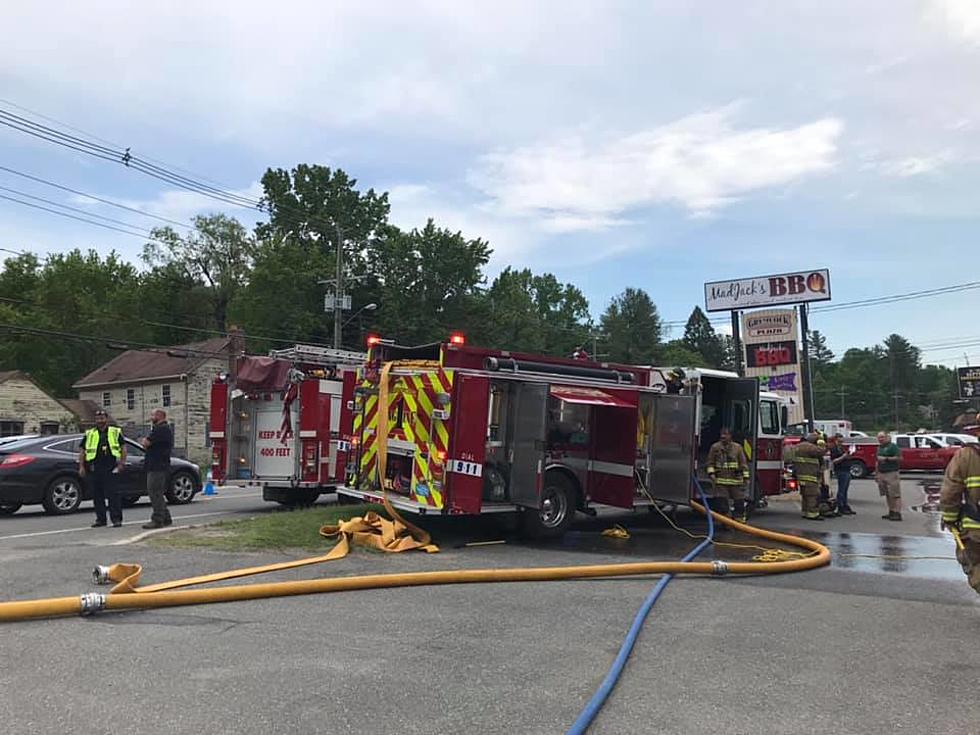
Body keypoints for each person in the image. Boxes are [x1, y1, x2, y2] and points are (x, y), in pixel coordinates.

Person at [940, 441, 980, 595]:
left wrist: (950, 518)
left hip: (976, 529)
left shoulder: (966, 455)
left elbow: (950, 492)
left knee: (976, 566)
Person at [77, 410, 127, 527]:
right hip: (95, 466)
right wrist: (81, 466)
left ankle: (116, 519)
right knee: (97, 495)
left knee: (113, 494)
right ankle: (101, 519)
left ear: (106, 419)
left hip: (111, 466)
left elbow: (123, 448)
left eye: (102, 418)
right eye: (98, 419)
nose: (100, 421)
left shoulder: (115, 432)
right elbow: (82, 451)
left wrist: (122, 464)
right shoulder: (90, 433)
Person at [706, 427, 750, 523]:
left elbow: (743, 464)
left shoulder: (737, 448)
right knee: (722, 505)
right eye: (722, 434)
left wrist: (746, 478)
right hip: (720, 481)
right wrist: (712, 474)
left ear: (730, 436)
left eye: (726, 434)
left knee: (739, 503)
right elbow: (710, 463)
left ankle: (739, 522)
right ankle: (726, 523)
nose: (723, 436)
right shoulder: (715, 448)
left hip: (736, 481)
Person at [141, 409, 173, 529]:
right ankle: (166, 517)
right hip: (157, 465)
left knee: (154, 492)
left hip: (158, 466)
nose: (151, 417)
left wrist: (145, 441)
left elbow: (146, 443)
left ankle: (157, 519)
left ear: (160, 416)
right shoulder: (160, 429)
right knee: (157, 492)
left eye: (153, 415)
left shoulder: (161, 429)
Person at [793, 432, 825, 521]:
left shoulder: (798, 446)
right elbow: (821, 452)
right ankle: (813, 514)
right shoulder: (809, 447)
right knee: (813, 495)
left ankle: (805, 512)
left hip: (801, 475)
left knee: (805, 495)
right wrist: (821, 442)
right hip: (810, 476)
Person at [875, 431, 902, 521]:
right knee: (887, 494)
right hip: (882, 473)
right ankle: (891, 511)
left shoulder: (893, 446)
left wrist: (886, 458)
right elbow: (877, 461)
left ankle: (897, 513)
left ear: (887, 437)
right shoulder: (879, 448)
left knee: (895, 494)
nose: (880, 439)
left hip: (892, 473)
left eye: (882, 437)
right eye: (879, 437)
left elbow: (899, 458)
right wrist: (876, 474)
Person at [829, 434, 855, 515]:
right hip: (840, 470)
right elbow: (834, 461)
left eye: (842, 441)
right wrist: (843, 457)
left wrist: (849, 456)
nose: (841, 443)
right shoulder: (834, 449)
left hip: (847, 470)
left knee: (845, 490)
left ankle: (845, 505)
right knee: (841, 490)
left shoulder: (842, 448)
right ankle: (840, 507)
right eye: (839, 441)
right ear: (836, 440)